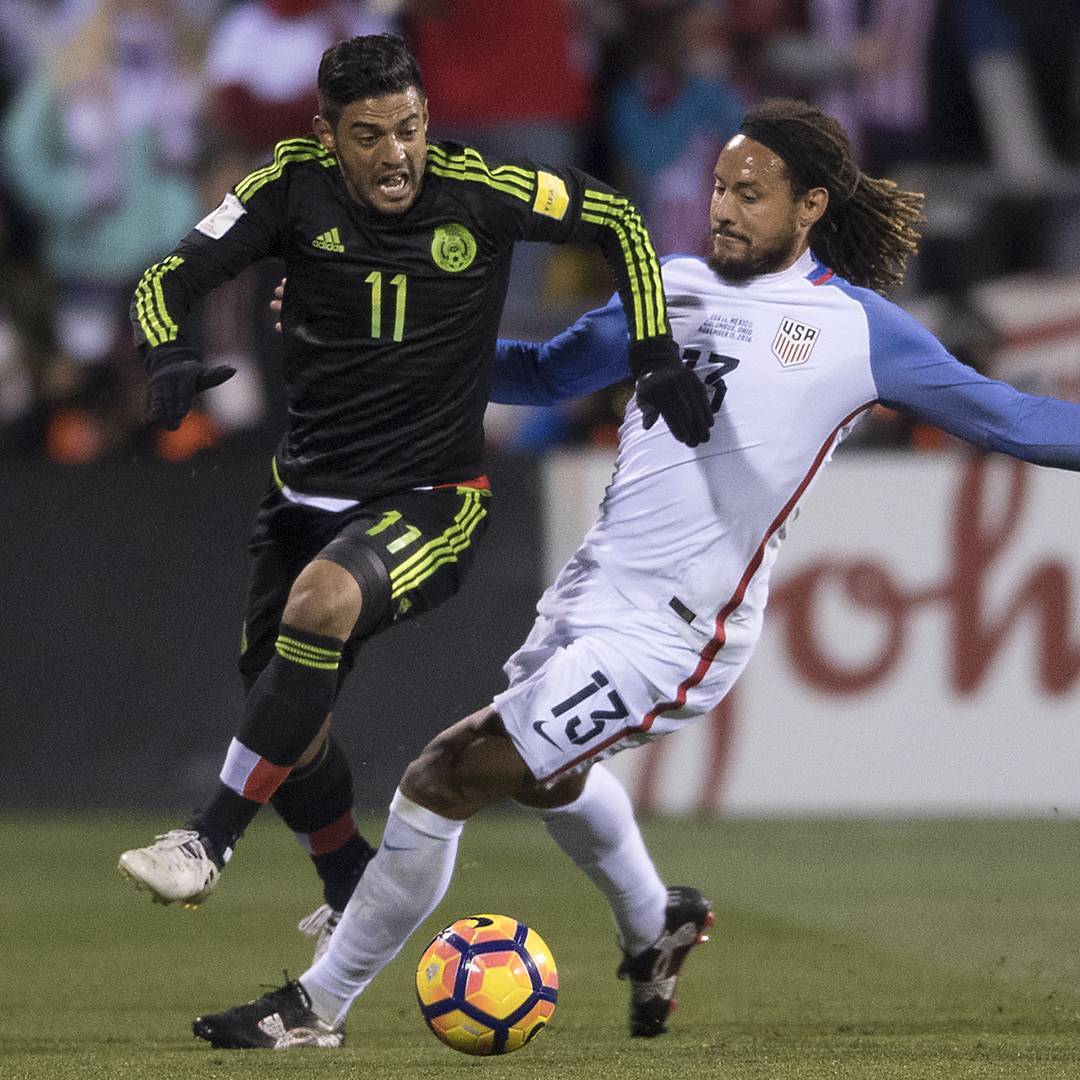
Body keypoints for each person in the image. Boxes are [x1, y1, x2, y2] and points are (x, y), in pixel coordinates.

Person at [188, 97, 1080, 1049]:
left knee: (447, 773)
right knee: (542, 778)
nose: (724, 208)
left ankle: (317, 1007)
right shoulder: (674, 285)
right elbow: (540, 373)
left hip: (678, 630)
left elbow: (1015, 421)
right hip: (590, 595)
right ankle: (657, 923)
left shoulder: (858, 330)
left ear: (812, 205)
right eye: (718, 188)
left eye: (751, 193)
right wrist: (378, 332)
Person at [117, 34, 712, 927]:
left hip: (434, 499)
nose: (395, 155)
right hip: (301, 499)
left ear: (428, 119)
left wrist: (654, 351)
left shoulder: (484, 189)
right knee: (285, 715)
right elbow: (168, 276)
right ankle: (352, 885)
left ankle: (207, 840)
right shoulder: (286, 187)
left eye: (408, 129)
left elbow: (622, 223)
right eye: (368, 135)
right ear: (326, 136)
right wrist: (167, 355)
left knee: (317, 610)